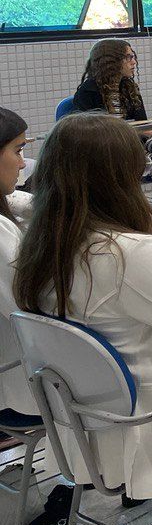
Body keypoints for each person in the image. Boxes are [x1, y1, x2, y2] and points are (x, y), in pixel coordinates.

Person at [11, 113, 152, 500]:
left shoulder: (43, 241)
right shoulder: (129, 255)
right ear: (116, 178)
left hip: (86, 424)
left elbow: (116, 294)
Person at [72, 39, 152, 201]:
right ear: (110, 61)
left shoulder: (129, 87)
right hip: (107, 150)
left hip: (134, 143)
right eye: (128, 57)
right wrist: (136, 131)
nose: (134, 62)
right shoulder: (88, 91)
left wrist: (145, 130)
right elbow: (92, 132)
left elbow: (142, 123)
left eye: (133, 57)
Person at [0, 108, 35, 420]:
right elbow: (32, 309)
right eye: (18, 150)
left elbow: (21, 202)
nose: (23, 163)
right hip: (21, 388)